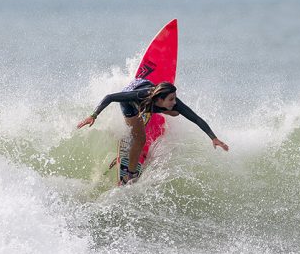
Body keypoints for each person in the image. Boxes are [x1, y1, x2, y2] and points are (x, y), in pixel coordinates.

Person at [77, 78, 228, 184]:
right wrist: (93, 115)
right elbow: (110, 97)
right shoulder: (138, 96)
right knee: (140, 139)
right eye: (171, 99)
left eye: (175, 98)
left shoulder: (171, 102)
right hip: (131, 102)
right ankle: (130, 174)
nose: (175, 101)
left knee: (176, 112)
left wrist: (213, 138)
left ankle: (153, 112)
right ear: (160, 99)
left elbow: (195, 118)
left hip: (148, 87)